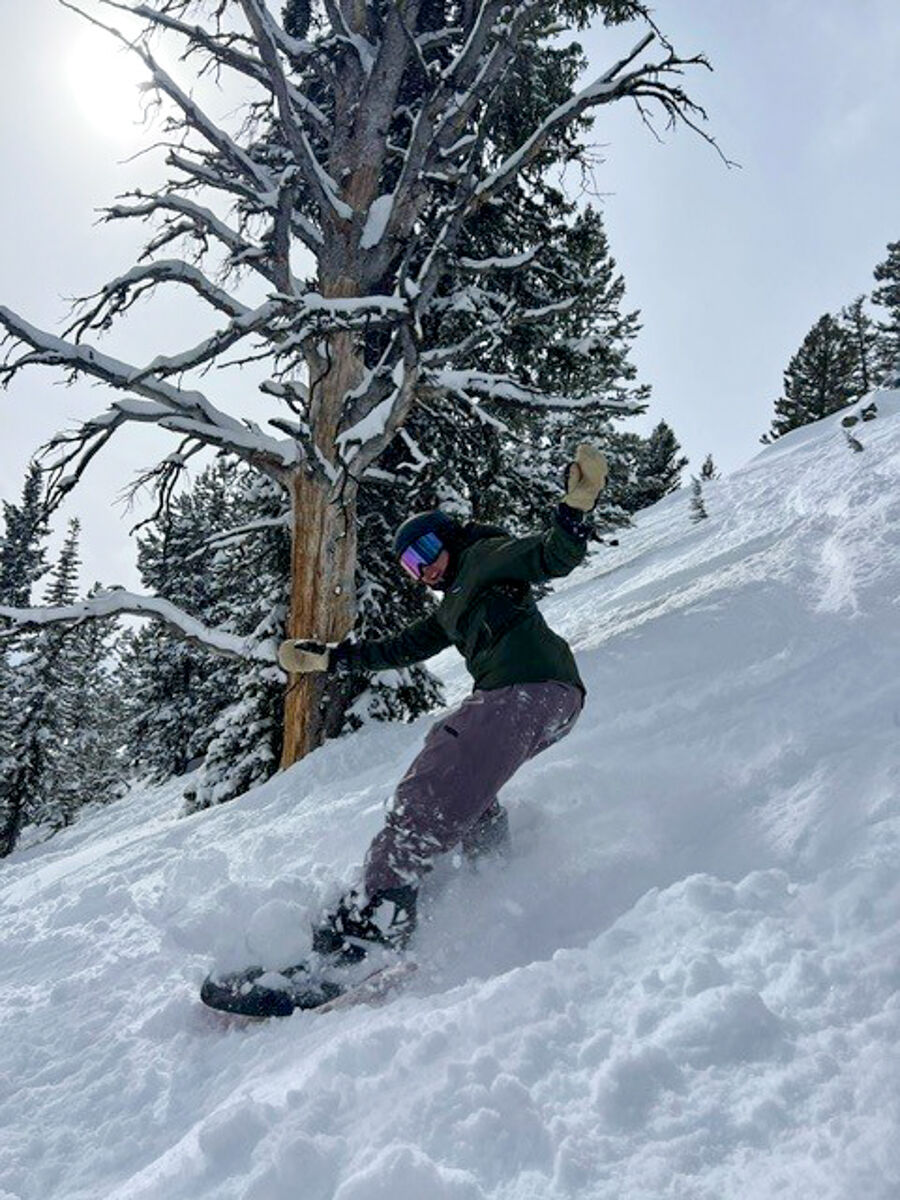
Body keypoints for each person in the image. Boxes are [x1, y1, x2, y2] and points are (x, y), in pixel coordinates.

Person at [277, 443, 608, 968]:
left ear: (450, 538)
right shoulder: (452, 606)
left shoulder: (483, 558)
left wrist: (574, 510)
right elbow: (398, 649)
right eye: (410, 565)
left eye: (427, 551)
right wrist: (329, 660)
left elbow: (552, 555)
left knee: (437, 774)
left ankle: (377, 921)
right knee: (468, 787)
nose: (423, 569)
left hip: (529, 689)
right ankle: (492, 874)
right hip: (544, 702)